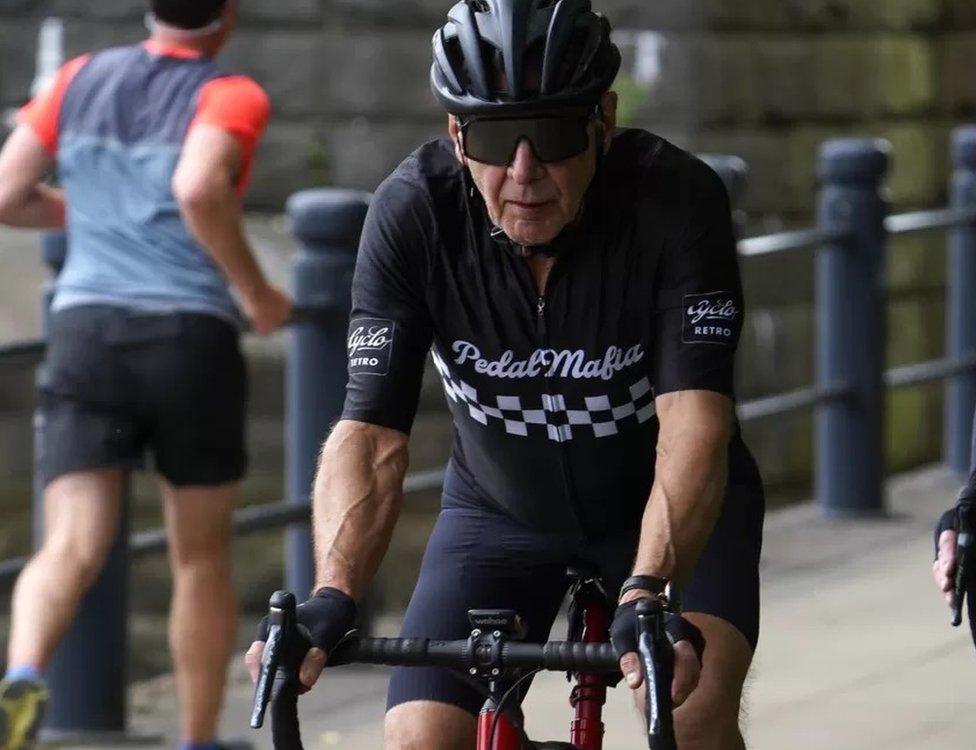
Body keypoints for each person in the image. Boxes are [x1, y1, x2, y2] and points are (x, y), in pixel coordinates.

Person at [246, 0, 765, 747]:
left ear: (603, 121)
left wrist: (648, 585)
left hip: (661, 501)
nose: (523, 173)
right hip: (501, 511)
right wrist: (335, 592)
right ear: (457, 135)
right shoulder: (414, 213)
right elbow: (370, 432)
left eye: (552, 135)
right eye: (493, 137)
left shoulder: (675, 200)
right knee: (420, 737)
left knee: (691, 712)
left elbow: (695, 421)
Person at [0, 1, 291, 748]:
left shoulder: (77, 77)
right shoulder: (231, 93)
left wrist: (98, 212)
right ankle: (197, 738)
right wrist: (257, 293)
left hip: (86, 332)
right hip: (184, 336)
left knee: (69, 543)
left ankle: (24, 671)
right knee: (198, 556)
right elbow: (198, 187)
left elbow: (7, 192)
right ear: (225, 16)